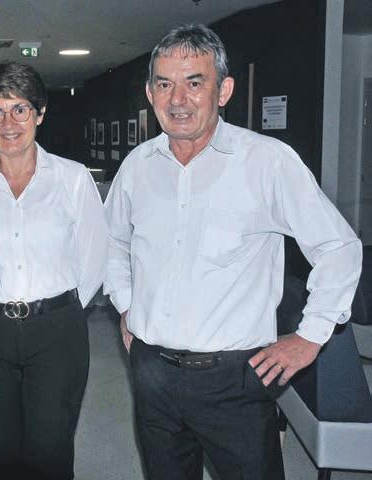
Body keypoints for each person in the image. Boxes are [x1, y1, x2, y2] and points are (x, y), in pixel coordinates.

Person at [104, 24, 362, 480]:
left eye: (194, 82)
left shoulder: (267, 161)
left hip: (234, 381)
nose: (177, 99)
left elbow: (338, 247)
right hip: (151, 374)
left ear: (223, 90)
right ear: (149, 93)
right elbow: (113, 241)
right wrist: (126, 304)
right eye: (164, 84)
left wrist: (311, 336)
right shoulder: (137, 166)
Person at [0, 61, 108, 480]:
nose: (9, 123)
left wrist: (57, 309)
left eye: (20, 109)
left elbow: (94, 258)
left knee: (50, 454)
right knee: (1, 455)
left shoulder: (72, 180)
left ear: (40, 113)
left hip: (57, 333)